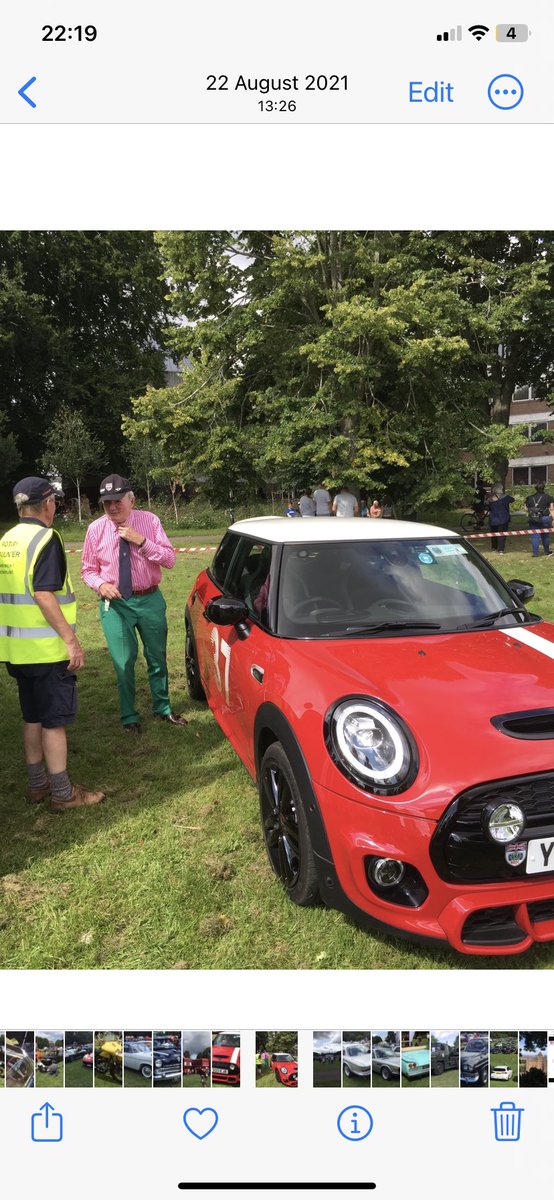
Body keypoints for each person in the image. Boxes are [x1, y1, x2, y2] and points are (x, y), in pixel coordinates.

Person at [0, 476, 105, 811]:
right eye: (55, 502)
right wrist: (71, 641)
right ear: (47, 504)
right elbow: (44, 594)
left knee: (31, 716)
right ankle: (63, 793)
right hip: (46, 651)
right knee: (54, 721)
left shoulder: (7, 540)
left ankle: (37, 784)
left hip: (16, 650)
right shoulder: (46, 538)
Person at [81, 474, 188, 734]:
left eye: (117, 501)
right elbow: (87, 570)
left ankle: (162, 708)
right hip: (116, 604)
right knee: (124, 660)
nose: (112, 507)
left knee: (157, 657)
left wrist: (141, 540)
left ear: (132, 500)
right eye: (107, 503)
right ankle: (129, 716)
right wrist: (100, 585)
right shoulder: (96, 529)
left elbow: (170, 559)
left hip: (149, 599)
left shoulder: (149, 521)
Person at [525, 482, 554, 557]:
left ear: (536, 488)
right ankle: (547, 551)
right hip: (545, 518)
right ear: (544, 488)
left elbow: (525, 508)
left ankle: (535, 553)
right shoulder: (549, 497)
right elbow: (551, 509)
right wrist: (553, 519)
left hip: (533, 518)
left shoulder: (529, 498)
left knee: (534, 536)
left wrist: (532, 512)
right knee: (545, 535)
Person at [487, 485, 514, 554]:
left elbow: (488, 507)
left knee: (494, 534)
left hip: (493, 519)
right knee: (502, 534)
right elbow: (512, 499)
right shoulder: (505, 497)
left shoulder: (491, 499)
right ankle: (501, 549)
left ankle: (494, 547)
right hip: (503, 518)